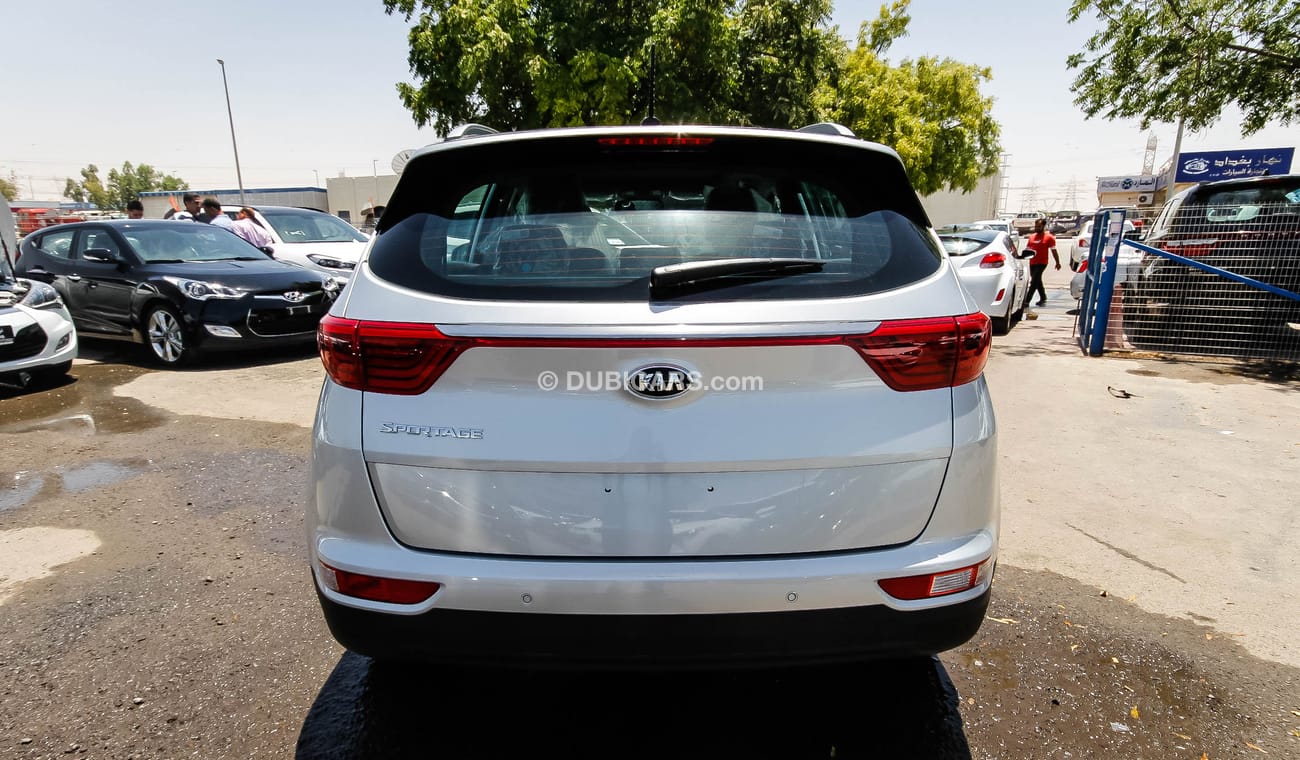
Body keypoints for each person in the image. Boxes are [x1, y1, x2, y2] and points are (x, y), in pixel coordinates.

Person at [1023, 217, 1060, 307]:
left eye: (1039, 226)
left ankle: (1027, 301)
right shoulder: (1032, 237)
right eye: (1036, 226)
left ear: (1043, 226)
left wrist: (1057, 262)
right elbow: (1028, 249)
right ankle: (1043, 297)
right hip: (1032, 262)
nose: (1037, 228)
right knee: (1037, 280)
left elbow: (1054, 250)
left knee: (1034, 281)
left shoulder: (1049, 238)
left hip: (1042, 262)